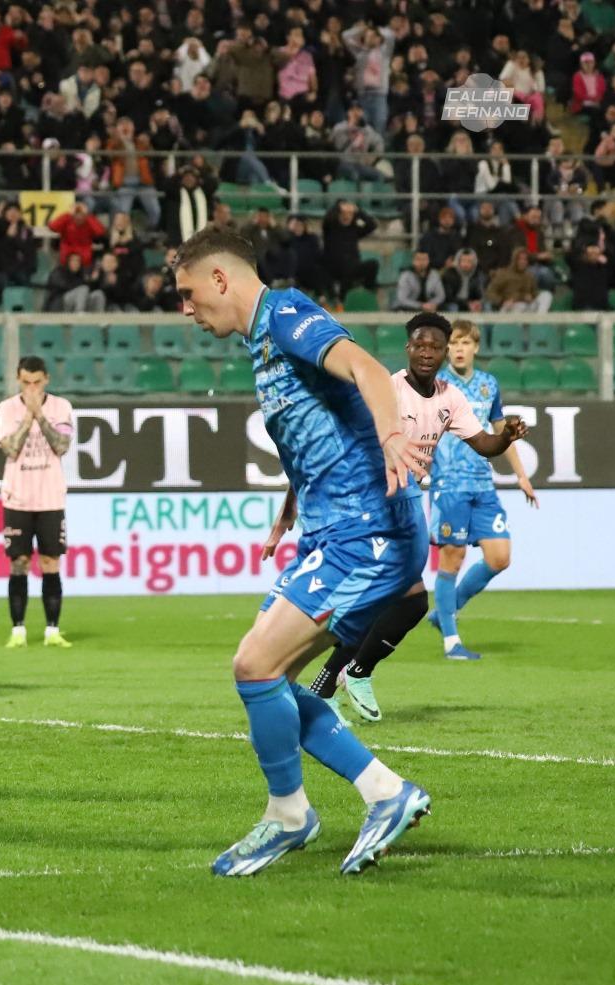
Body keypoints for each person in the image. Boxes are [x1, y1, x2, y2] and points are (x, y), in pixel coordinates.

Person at [173, 226, 431, 877]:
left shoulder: (286, 314)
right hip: (330, 530)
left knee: (254, 665)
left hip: (362, 533)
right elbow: (321, 418)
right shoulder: (264, 342)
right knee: (271, 679)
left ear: (221, 280)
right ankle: (381, 792)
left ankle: (291, 814)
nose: (184, 308)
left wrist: (395, 434)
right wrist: (292, 502)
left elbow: (367, 370)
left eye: (187, 293)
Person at [298, 313, 528, 722]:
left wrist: (507, 436)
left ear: (442, 352)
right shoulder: (387, 389)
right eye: (419, 345)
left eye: (434, 347)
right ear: (408, 348)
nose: (427, 353)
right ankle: (340, 675)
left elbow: (484, 443)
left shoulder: (449, 398)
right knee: (394, 598)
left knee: (409, 603)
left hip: (402, 502)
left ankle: (339, 677)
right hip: (371, 500)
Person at [427, 319, 539, 658]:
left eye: (465, 343)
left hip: (482, 484)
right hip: (449, 484)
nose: (459, 349)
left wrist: (521, 475)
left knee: (500, 557)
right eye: (454, 343)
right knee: (453, 556)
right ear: (447, 349)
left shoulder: (489, 385)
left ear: (476, 347)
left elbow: (502, 434)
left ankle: (444, 612)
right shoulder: (435, 385)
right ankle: (451, 642)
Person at [0, 356, 74, 650]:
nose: (31, 388)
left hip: (51, 497)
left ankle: (52, 630)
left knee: (51, 562)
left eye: (37, 382)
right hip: (18, 497)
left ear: (47, 379)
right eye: (26, 382)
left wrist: (39, 414)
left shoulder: (61, 407)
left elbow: (62, 446)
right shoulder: (6, 409)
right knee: (19, 562)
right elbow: (10, 449)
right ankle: (18, 630)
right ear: (18, 380)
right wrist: (28, 417)